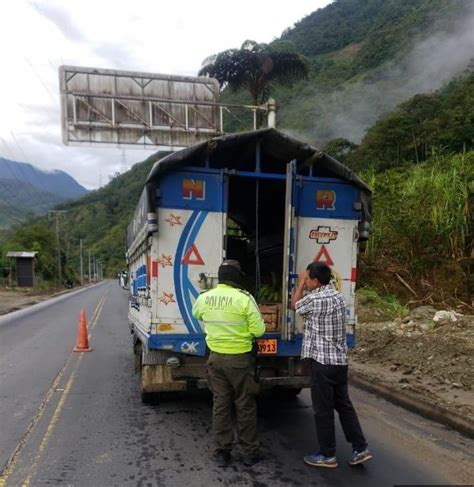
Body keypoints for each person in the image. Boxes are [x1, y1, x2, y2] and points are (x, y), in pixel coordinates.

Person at [291, 262, 372, 469]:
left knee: (323, 410)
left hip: (323, 365)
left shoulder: (315, 299)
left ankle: (327, 455)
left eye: (308, 279)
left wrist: (299, 284)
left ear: (315, 282)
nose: (306, 281)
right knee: (344, 406)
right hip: (339, 363)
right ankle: (360, 448)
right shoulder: (337, 296)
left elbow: (294, 305)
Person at [192, 259, 266, 468]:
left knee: (221, 405)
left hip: (215, 359)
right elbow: (259, 331)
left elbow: (196, 314)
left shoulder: (205, 297)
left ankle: (222, 452)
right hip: (240, 361)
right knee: (244, 405)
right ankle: (250, 452)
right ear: (236, 276)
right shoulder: (244, 298)